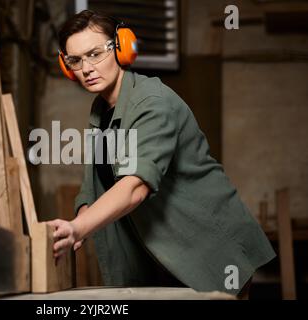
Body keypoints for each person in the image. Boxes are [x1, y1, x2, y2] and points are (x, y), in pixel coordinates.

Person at [47, 10, 276, 297]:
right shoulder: (101, 111)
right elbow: (92, 188)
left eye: (95, 54)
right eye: (76, 61)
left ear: (121, 47)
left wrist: (79, 228)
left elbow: (135, 187)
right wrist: (77, 225)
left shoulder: (152, 102)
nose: (87, 68)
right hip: (163, 257)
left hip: (207, 250)